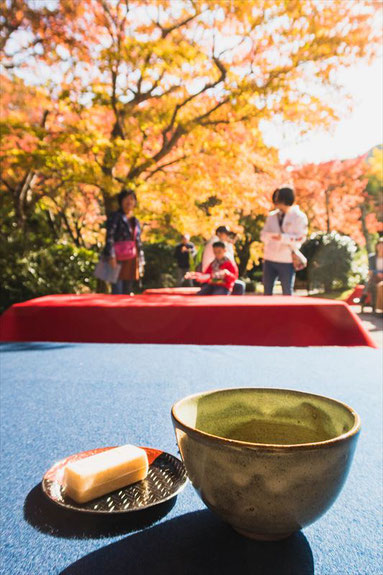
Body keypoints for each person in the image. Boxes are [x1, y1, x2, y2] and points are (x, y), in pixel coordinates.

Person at [260, 187, 308, 296]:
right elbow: (263, 235)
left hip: (286, 259)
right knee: (267, 291)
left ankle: (288, 313)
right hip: (269, 257)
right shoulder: (272, 216)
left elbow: (301, 237)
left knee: (287, 291)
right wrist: (270, 237)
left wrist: (282, 238)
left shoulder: (299, 217)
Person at [103, 189, 145, 294]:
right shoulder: (115, 217)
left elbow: (138, 241)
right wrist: (111, 256)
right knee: (117, 290)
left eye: (132, 199)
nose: (129, 202)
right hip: (117, 259)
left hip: (131, 260)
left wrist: (141, 260)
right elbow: (110, 237)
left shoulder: (135, 220)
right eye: (126, 199)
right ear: (121, 201)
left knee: (128, 291)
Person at [202, 225, 245, 295]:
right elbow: (229, 258)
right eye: (226, 234)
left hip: (217, 277)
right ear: (219, 234)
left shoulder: (217, 243)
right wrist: (230, 244)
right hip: (215, 278)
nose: (227, 236)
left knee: (240, 285)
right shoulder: (216, 244)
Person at [364, 238, 383, 312]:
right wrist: (377, 273)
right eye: (380, 246)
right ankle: (372, 304)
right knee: (371, 280)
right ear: (376, 246)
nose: (381, 248)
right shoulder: (372, 257)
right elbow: (371, 270)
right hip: (375, 277)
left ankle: (364, 295)